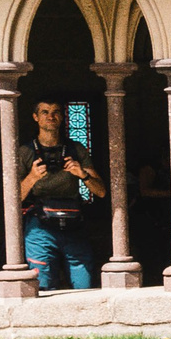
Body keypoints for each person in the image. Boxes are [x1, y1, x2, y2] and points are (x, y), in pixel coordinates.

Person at [17, 97, 103, 290]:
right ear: (35, 117)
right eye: (45, 112)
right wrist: (32, 177)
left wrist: (82, 174)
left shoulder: (75, 149)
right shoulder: (25, 152)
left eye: (55, 112)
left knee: (84, 284)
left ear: (62, 117)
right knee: (43, 285)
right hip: (40, 226)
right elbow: (12, 199)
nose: (51, 116)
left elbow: (101, 191)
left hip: (73, 223)